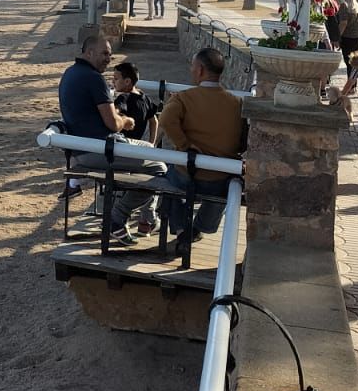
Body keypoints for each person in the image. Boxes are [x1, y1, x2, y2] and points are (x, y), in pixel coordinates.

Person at [57, 32, 150, 244]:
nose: (109, 59)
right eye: (105, 54)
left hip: (82, 149)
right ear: (89, 53)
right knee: (159, 168)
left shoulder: (70, 73)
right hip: (99, 150)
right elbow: (112, 123)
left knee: (149, 149)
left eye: (110, 54)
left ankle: (116, 216)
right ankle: (117, 219)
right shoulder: (94, 78)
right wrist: (126, 121)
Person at [158, 48, 244, 253]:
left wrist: (184, 144)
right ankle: (199, 228)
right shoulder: (236, 103)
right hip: (219, 178)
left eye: (193, 66)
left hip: (188, 173)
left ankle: (180, 230)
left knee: (168, 179)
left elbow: (166, 120)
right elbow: (242, 142)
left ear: (200, 70)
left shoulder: (184, 98)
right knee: (226, 185)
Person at [111, 60, 165, 235]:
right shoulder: (144, 97)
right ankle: (146, 221)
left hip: (125, 149)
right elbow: (154, 120)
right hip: (142, 148)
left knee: (146, 182)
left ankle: (144, 219)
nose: (113, 82)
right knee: (150, 182)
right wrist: (152, 143)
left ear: (127, 82)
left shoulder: (123, 98)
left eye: (116, 78)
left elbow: (117, 114)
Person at [336, 0, 358, 72]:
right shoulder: (357, 5)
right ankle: (353, 82)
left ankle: (351, 82)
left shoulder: (344, 6)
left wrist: (337, 37)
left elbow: (343, 23)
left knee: (349, 62)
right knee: (355, 62)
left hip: (348, 37)